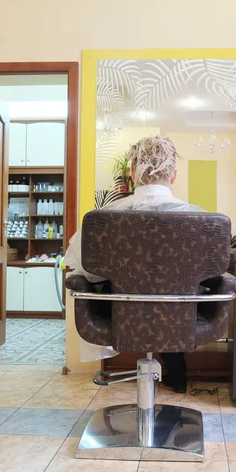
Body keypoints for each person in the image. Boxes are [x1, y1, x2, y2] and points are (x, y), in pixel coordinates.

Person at [64, 135, 204, 393]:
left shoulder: (104, 219)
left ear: (131, 172)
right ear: (173, 175)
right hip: (178, 316)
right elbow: (209, 276)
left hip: (119, 316)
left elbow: (80, 268)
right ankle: (178, 373)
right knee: (173, 297)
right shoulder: (199, 220)